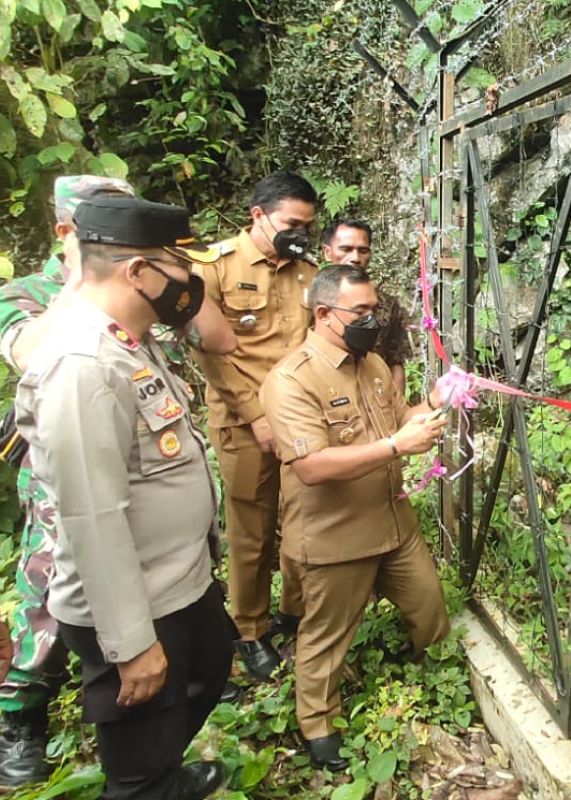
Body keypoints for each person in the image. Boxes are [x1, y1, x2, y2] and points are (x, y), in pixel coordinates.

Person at [0, 176, 236, 788]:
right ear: (138, 271)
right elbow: (92, 519)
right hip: (134, 603)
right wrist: (131, 645)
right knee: (139, 758)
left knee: (207, 669)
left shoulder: (128, 340)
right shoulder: (82, 365)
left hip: (172, 580)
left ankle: (164, 770)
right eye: (177, 264)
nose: (189, 279)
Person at [260, 265, 450, 770]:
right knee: (326, 636)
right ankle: (318, 726)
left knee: (429, 604)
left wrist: (431, 403)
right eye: (361, 312)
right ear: (323, 314)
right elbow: (312, 466)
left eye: (375, 309)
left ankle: (432, 675)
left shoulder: (369, 365)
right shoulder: (290, 382)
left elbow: (395, 420)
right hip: (335, 536)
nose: (373, 320)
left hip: (392, 521)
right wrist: (395, 445)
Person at [192, 171, 319, 680]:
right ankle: (249, 628)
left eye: (309, 226)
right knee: (252, 530)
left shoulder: (307, 271)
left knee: (306, 520)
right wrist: (257, 416)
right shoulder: (215, 269)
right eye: (292, 224)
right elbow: (211, 356)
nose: (301, 235)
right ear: (258, 215)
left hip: (301, 421)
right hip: (243, 423)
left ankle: (293, 611)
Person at [320, 219, 412, 388]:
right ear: (327, 252)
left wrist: (395, 411)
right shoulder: (311, 301)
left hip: (375, 400)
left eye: (363, 251)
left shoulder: (387, 304)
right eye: (346, 249)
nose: (355, 258)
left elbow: (395, 362)